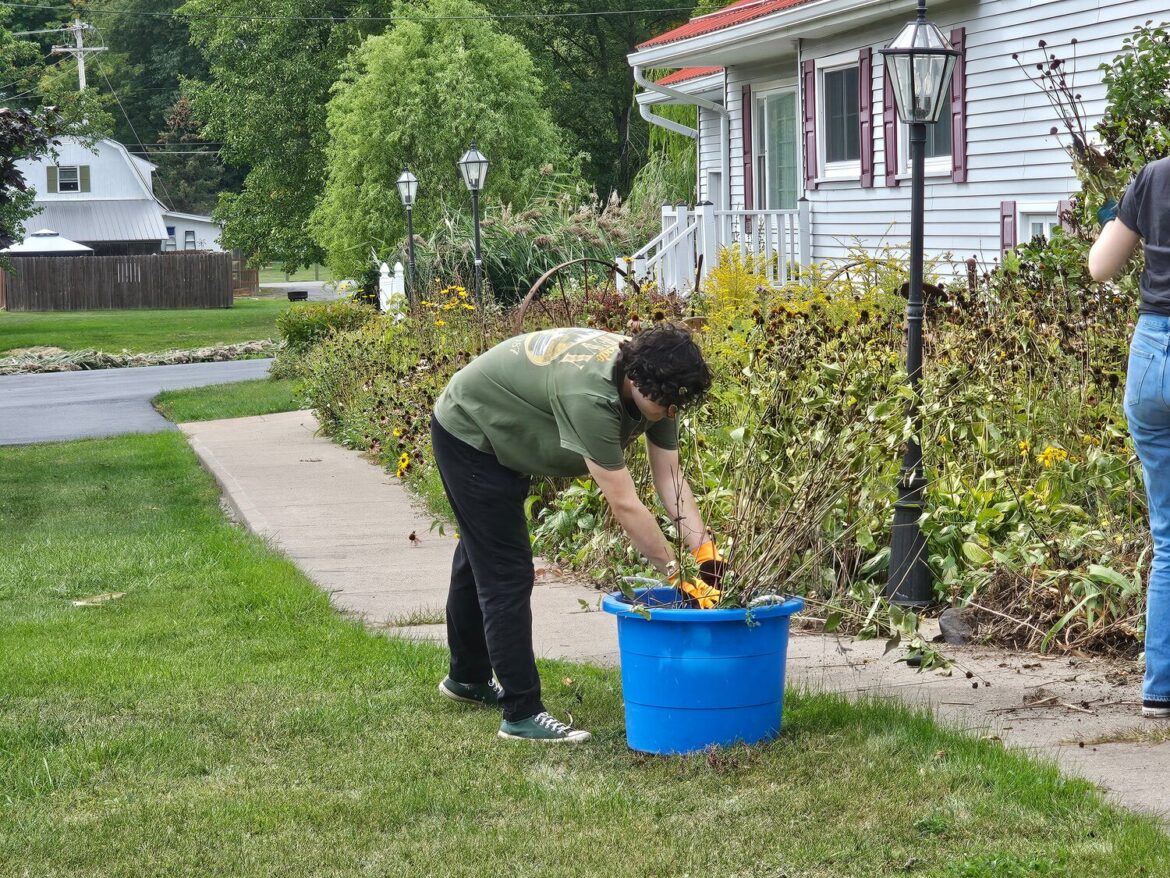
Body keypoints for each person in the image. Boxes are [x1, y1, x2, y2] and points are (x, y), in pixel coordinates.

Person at [430, 323, 719, 742]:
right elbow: (625, 504)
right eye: (667, 404)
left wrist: (705, 551)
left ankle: (467, 679)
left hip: (501, 433)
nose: (671, 413)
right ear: (636, 379)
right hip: (470, 431)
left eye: (679, 404)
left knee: (481, 558)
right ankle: (521, 713)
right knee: (505, 573)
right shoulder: (591, 396)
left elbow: (670, 480)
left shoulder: (657, 386)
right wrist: (678, 575)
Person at [1089, 157, 1170, 719]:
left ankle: (1159, 688)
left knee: (1168, 538)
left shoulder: (1155, 176)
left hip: (1151, 357)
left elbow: (1100, 266)